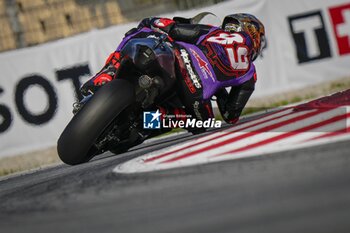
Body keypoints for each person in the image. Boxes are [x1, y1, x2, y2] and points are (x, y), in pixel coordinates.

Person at [81, 13, 266, 129]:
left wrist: (151, 22)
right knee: (205, 121)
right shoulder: (250, 72)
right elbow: (231, 116)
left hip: (180, 61)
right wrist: (219, 88)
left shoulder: (213, 32)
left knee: (138, 31)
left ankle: (106, 74)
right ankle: (148, 120)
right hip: (196, 93)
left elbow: (171, 28)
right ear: (255, 38)